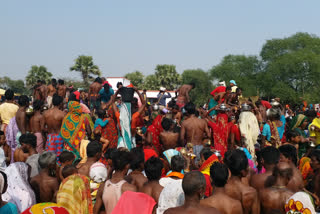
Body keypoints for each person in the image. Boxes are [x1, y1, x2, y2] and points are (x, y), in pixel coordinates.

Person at [224, 149, 260, 214]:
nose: (249, 168)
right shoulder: (251, 193)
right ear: (243, 172)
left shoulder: (222, 190)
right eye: (247, 166)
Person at [44, 94, 66, 158]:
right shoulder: (62, 114)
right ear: (60, 103)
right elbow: (64, 129)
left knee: (50, 157)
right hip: (59, 137)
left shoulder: (46, 113)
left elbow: (42, 128)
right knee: (59, 157)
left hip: (50, 137)